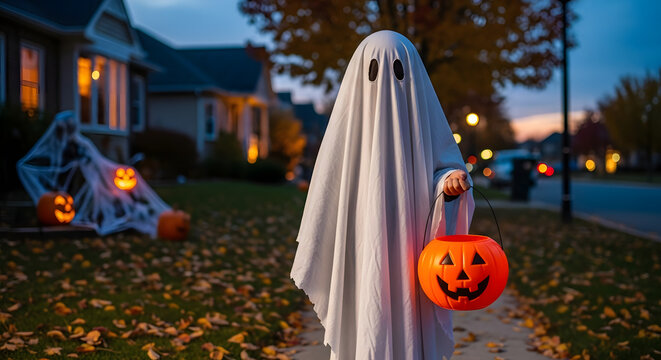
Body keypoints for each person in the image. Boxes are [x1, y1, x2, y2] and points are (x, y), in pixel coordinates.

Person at [291, 30, 474, 359]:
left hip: (414, 243)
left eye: (398, 71)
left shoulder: (425, 122)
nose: (387, 85)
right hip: (360, 247)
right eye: (374, 71)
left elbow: (445, 167)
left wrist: (448, 184)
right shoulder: (346, 133)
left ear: (413, 76)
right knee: (366, 306)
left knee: (408, 311)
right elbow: (329, 195)